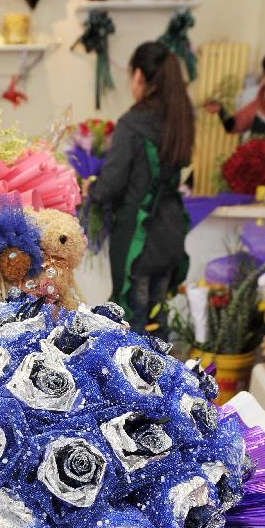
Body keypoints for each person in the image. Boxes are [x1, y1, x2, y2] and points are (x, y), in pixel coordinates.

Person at [82, 41, 194, 335]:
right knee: (158, 320)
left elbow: (111, 186)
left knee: (132, 325)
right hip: (170, 234)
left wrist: (91, 187)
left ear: (140, 75)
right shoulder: (180, 120)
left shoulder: (132, 123)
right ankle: (165, 380)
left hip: (138, 240)